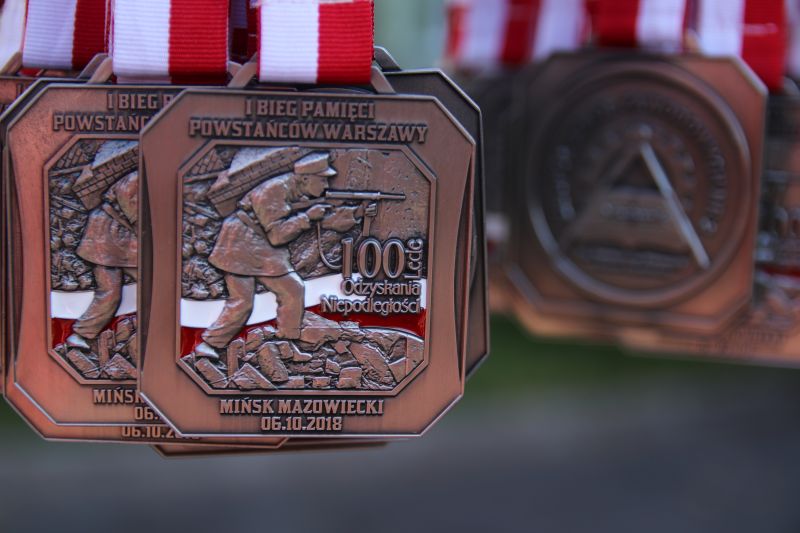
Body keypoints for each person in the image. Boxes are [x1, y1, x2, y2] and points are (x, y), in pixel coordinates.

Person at [194, 152, 361, 359]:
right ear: (305, 178)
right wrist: (307, 216)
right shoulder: (273, 190)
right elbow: (278, 235)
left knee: (292, 290)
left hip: (260, 246)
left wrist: (354, 214)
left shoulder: (295, 190)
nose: (326, 185)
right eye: (322, 179)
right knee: (242, 301)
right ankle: (209, 344)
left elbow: (311, 222)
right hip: (239, 245)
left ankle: (285, 346)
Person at [66, 170, 138, 350]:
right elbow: (127, 199)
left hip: (123, 235)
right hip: (107, 231)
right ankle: (82, 333)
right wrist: (141, 225)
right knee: (110, 291)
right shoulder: (138, 176)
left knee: (155, 282)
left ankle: (155, 332)